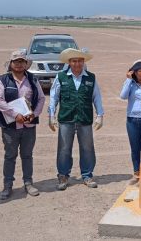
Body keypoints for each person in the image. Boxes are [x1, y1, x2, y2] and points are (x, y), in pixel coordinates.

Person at [48, 48, 104, 190]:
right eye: (74, 61)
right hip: (66, 118)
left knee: (87, 148)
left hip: (85, 119)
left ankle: (87, 175)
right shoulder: (61, 77)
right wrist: (51, 115)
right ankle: (63, 175)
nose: (77, 64)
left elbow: (96, 97)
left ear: (83, 62)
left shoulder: (91, 78)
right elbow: (54, 97)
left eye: (80, 61)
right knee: (64, 148)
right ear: (69, 62)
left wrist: (100, 115)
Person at [0, 49, 46, 200]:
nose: (19, 64)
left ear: (25, 64)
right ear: (11, 64)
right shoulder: (2, 80)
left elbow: (41, 98)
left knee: (27, 155)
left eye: (22, 62)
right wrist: (14, 114)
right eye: (16, 62)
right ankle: (7, 185)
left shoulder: (33, 80)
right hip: (10, 126)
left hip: (29, 126)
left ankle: (28, 183)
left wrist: (34, 114)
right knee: (10, 156)